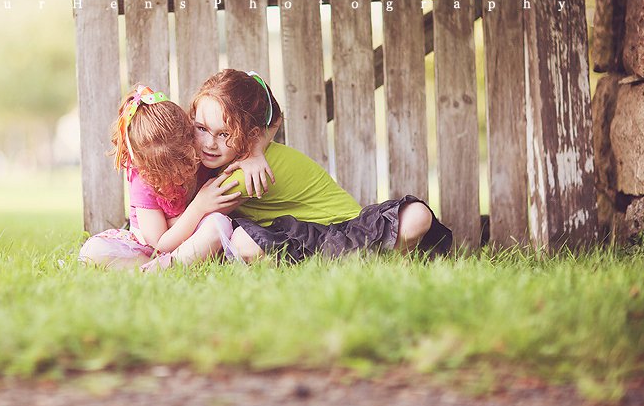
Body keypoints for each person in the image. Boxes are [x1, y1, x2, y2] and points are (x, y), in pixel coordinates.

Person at [190, 69, 453, 263]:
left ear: (252, 132)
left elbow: (183, 227)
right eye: (201, 128)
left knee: (416, 214)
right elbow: (275, 116)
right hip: (295, 239)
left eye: (224, 134)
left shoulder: (239, 176)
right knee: (243, 242)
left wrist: (200, 204)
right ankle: (363, 262)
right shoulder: (242, 157)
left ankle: (382, 260)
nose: (209, 144)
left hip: (344, 229)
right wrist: (256, 148)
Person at [79, 85, 240, 269]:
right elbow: (159, 243)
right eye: (164, 171)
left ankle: (155, 269)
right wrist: (199, 206)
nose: (177, 176)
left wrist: (256, 156)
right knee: (94, 252)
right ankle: (163, 268)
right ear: (141, 163)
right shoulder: (142, 178)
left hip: (189, 240)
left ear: (189, 138)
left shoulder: (201, 154)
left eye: (182, 162)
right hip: (146, 248)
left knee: (218, 225)